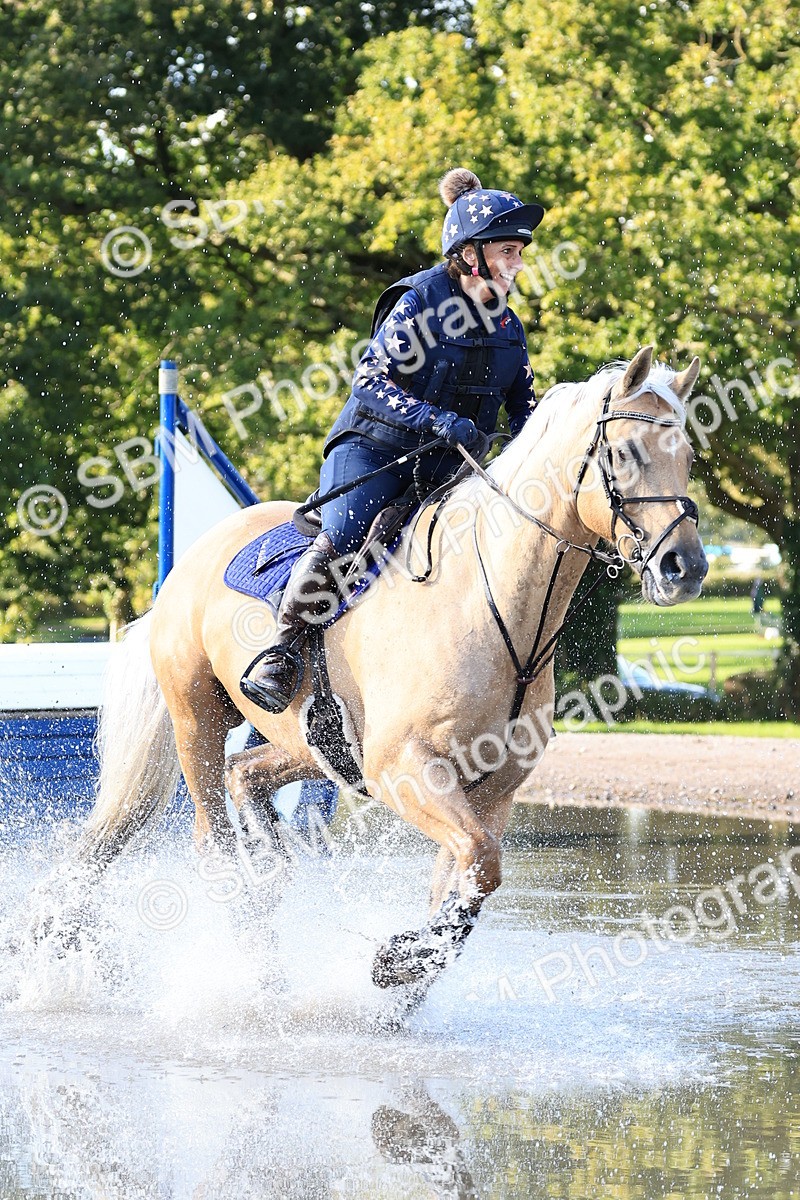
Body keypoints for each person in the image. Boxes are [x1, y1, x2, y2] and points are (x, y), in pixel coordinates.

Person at [241, 167, 546, 714]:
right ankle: (282, 650)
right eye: (508, 251)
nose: (518, 265)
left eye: (520, 253)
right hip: (377, 449)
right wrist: (434, 420)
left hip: (448, 470)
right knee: (348, 531)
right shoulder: (420, 302)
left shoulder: (509, 329)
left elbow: (525, 412)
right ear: (471, 254)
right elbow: (370, 382)